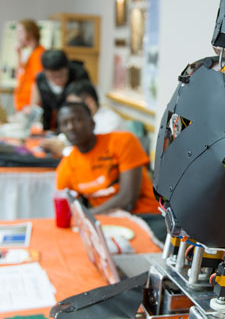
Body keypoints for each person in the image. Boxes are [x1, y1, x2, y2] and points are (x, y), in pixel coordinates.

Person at [55, 102, 166, 242]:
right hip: (106, 223)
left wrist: (88, 215)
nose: (70, 127)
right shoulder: (65, 167)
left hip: (146, 216)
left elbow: (128, 198)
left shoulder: (123, 141)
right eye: (64, 123)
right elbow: (70, 208)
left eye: (77, 120)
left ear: (92, 123)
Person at [38, 79, 126, 158]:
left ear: (89, 103)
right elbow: (72, 137)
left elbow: (97, 155)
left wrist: (64, 151)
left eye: (74, 106)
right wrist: (55, 142)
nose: (70, 110)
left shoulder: (111, 121)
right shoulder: (88, 117)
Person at [30, 49, 89, 130]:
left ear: (67, 68)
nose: (58, 80)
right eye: (53, 77)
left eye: (62, 75)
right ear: (45, 72)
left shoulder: (79, 75)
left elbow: (84, 106)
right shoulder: (41, 79)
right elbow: (44, 107)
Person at [13, 19, 44, 113]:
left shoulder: (38, 54)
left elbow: (37, 82)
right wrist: (19, 54)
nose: (17, 36)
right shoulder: (29, 53)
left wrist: (32, 106)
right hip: (22, 105)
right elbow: (19, 75)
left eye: (20, 32)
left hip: (29, 108)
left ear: (30, 33)